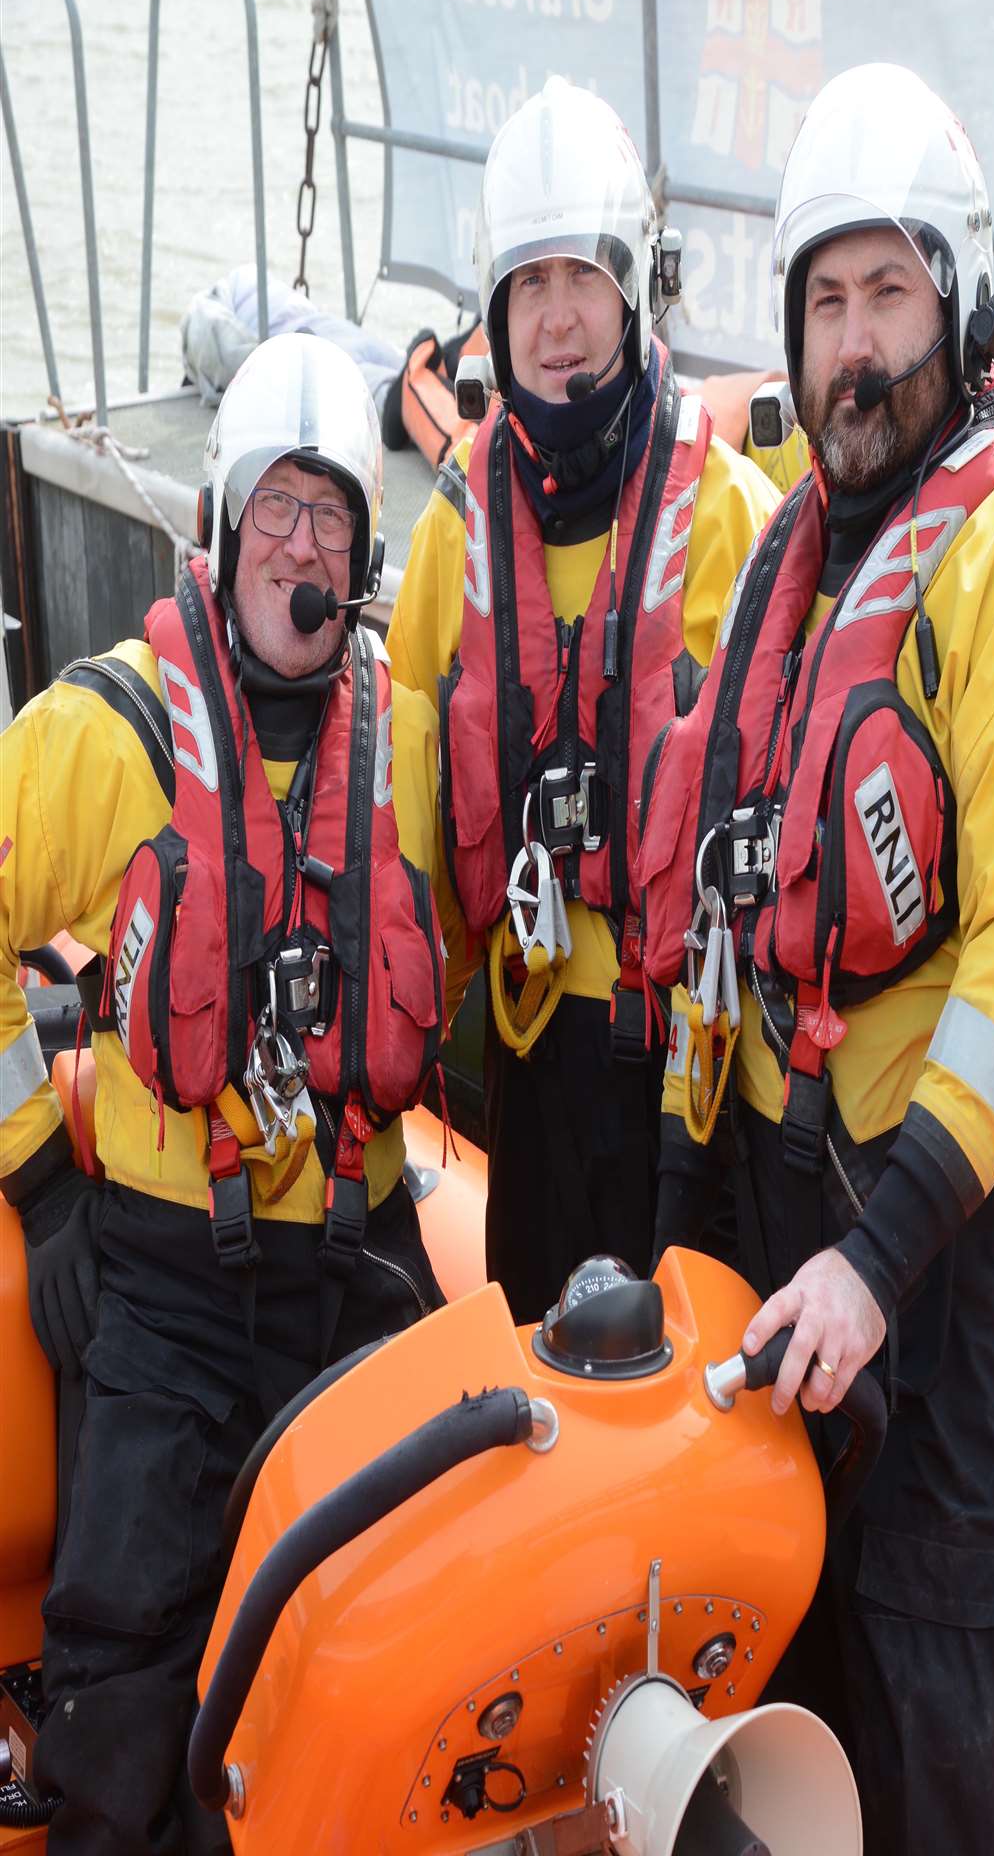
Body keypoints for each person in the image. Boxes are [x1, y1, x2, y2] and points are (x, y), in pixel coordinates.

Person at [638, 62, 994, 1854]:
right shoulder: (791, 564)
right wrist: (677, 1215)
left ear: (965, 312)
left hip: (954, 1257)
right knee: (796, 1658)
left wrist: (882, 1262)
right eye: (825, 300)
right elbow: (729, 927)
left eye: (889, 292)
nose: (852, 343)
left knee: (935, 1680)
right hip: (786, 1216)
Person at [0, 331, 469, 1854]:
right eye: (276, 507)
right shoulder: (100, 732)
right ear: (217, 526)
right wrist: (41, 1181)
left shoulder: (406, 742)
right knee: (121, 1664)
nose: (302, 544)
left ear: (366, 552)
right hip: (159, 1275)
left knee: (380, 1651)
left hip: (354, 1261)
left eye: (333, 516)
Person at [387, 75, 778, 1323]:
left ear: (635, 289)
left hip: (689, 1064)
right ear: (494, 312)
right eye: (528, 286)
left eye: (582, 281)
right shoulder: (455, 535)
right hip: (527, 1051)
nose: (556, 321)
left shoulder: (730, 519)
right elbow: (398, 814)